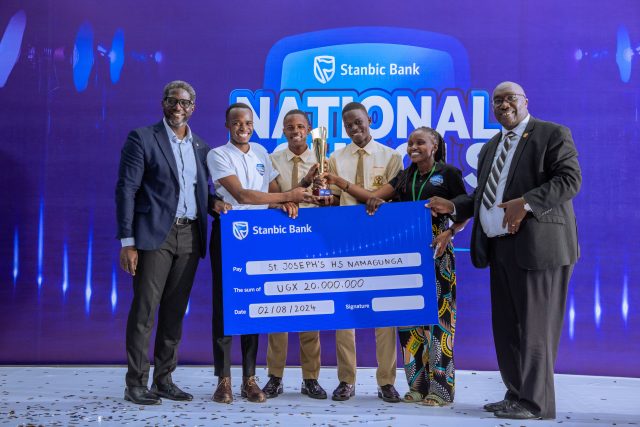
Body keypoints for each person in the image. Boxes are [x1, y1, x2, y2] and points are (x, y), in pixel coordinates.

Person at [428, 81, 581, 420]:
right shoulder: (490, 148)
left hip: (540, 248)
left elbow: (569, 180)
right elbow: (483, 197)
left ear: (525, 101)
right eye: (497, 101)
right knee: (508, 329)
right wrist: (452, 207)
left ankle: (536, 403)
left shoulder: (551, 134)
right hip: (500, 247)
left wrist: (526, 203)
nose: (504, 105)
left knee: (535, 329)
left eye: (510, 98)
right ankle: (516, 394)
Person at [321, 127, 468, 406]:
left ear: (434, 146)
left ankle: (441, 390)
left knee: (439, 322)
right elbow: (373, 196)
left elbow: (466, 207)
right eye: (410, 143)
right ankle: (417, 386)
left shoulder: (448, 173)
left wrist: (450, 232)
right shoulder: (405, 176)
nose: (413, 147)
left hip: (438, 254)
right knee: (408, 321)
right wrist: (342, 183)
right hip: (406, 256)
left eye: (420, 143)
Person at [207, 103, 310, 404]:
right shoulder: (218, 154)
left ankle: (249, 379)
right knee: (226, 306)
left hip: (259, 236)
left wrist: (285, 202)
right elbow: (241, 195)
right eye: (237, 123)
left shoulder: (262, 153)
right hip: (230, 233)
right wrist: (288, 195)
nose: (243, 128)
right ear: (227, 125)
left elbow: (273, 190)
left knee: (252, 305)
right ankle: (223, 380)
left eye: (248, 123)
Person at [116, 80, 211, 405]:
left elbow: (203, 193)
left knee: (174, 312)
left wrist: (221, 205)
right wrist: (128, 242)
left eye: (184, 102)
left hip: (190, 235)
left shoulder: (201, 146)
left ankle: (164, 380)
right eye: (173, 101)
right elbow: (126, 190)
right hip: (154, 236)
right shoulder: (142, 138)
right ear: (163, 103)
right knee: (144, 311)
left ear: (193, 108)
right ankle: (135, 383)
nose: (178, 107)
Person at [324, 101, 402, 402]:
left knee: (384, 313)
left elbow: (390, 199)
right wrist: (322, 198)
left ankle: (386, 381)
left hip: (381, 242)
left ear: (370, 119)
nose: (354, 128)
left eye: (359, 122)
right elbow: (333, 200)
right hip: (346, 242)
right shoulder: (334, 158)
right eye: (348, 125)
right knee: (345, 313)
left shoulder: (391, 156)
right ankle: (346, 379)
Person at [261, 109, 328, 400]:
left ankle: (310, 378)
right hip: (279, 241)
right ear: (283, 131)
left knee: (310, 312)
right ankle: (275, 376)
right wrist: (287, 199)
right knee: (278, 312)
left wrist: (325, 195)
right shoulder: (272, 160)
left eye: (301, 126)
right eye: (290, 127)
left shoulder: (323, 160)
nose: (295, 131)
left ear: (309, 129)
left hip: (312, 242)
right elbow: (270, 200)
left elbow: (331, 202)